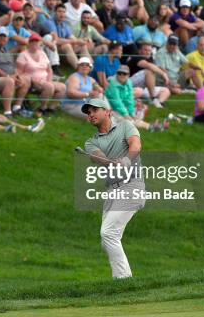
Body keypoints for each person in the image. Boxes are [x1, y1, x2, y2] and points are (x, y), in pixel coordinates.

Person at [81, 96, 145, 279]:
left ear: (107, 111)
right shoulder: (90, 142)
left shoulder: (125, 126)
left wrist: (126, 159)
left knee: (108, 233)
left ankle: (124, 280)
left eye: (94, 110)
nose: (91, 114)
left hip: (132, 186)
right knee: (107, 239)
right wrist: (112, 163)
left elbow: (136, 145)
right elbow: (99, 157)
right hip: (113, 191)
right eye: (88, 112)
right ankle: (125, 279)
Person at [0, 27, 31, 116]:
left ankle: (17, 107)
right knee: (9, 81)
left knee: (26, 79)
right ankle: (7, 112)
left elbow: (13, 67)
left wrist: (17, 76)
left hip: (9, 76)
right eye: (1, 36)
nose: (3, 38)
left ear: (8, 39)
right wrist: (8, 76)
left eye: (5, 36)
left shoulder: (6, 50)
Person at [16, 33, 66, 114]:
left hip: (45, 81)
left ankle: (51, 108)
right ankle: (42, 108)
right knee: (49, 87)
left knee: (63, 87)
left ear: (40, 43)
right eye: (32, 41)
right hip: (32, 83)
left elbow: (49, 70)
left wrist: (48, 81)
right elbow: (19, 72)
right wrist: (33, 81)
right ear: (29, 43)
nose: (35, 43)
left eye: (37, 42)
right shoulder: (23, 55)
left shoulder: (42, 53)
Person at [128, 41, 171, 108]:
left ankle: (158, 103)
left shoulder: (150, 60)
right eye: (145, 50)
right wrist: (163, 74)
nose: (147, 52)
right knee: (149, 71)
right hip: (129, 84)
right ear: (140, 51)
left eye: (149, 50)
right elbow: (147, 65)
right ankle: (153, 98)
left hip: (142, 88)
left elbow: (154, 66)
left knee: (166, 90)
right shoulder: (137, 57)